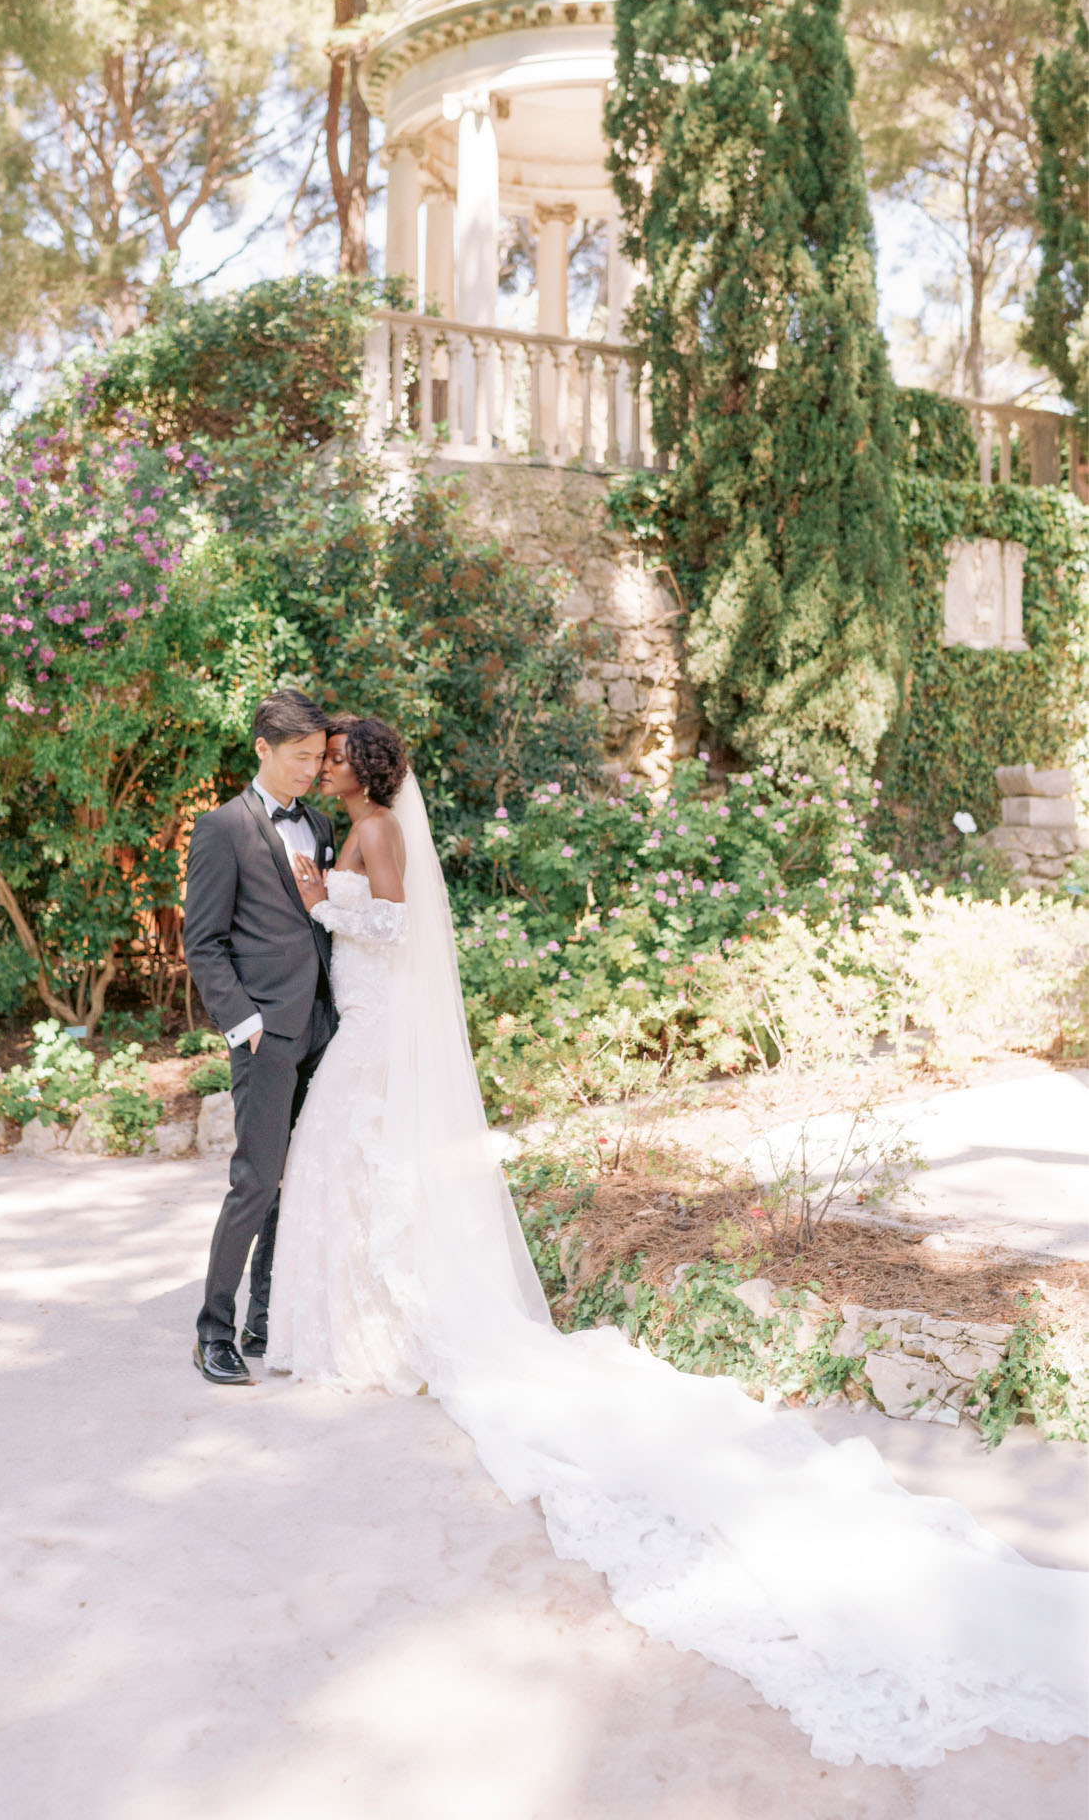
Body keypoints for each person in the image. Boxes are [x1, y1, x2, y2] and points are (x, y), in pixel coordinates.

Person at [263, 714, 1087, 1771]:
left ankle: (387, 1326)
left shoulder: (375, 830)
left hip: (375, 1030)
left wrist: (320, 899)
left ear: (361, 768)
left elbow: (397, 925)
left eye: (333, 754)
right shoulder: (366, 825)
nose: (323, 764)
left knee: (356, 1163)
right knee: (354, 1170)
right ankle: (366, 1320)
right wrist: (328, 898)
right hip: (367, 1021)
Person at [182, 689, 337, 1386]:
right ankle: (212, 1330)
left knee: (298, 1181)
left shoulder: (322, 823)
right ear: (262, 750)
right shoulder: (221, 828)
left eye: (317, 757)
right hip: (264, 1035)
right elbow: (203, 942)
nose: (310, 769)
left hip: (326, 1030)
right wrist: (243, 1023)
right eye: (299, 757)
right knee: (254, 1181)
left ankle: (265, 1318)